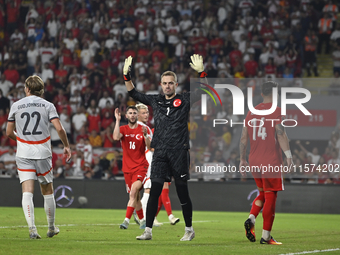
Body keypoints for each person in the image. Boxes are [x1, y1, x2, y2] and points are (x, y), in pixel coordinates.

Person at [123, 54, 206, 241]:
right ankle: (148, 231)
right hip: (160, 152)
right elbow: (134, 94)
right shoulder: (156, 101)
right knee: (155, 191)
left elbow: (203, 92)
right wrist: (126, 76)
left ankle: (189, 229)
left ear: (176, 85)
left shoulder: (184, 100)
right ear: (161, 85)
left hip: (179, 151)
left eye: (171, 83)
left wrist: (202, 73)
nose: (168, 86)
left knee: (183, 190)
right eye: (165, 83)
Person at [6, 75, 71, 239]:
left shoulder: (16, 105)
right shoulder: (48, 105)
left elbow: (8, 132)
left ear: (26, 89)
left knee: (27, 192)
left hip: (23, 153)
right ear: (41, 90)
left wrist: (21, 140)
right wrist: (66, 146)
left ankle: (32, 229)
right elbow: (60, 129)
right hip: (42, 152)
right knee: (47, 190)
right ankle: (51, 228)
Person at [239, 81, 293, 245]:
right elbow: (281, 135)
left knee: (262, 193)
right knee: (271, 196)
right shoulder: (277, 111)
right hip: (270, 160)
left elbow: (243, 138)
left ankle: (251, 218)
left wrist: (242, 159)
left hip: (254, 160)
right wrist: (289, 155)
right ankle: (266, 237)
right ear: (276, 94)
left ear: (261, 94)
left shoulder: (251, 112)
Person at [135, 103, 179, 227]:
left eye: (147, 113)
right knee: (148, 189)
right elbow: (149, 147)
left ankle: (143, 215)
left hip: (142, 158)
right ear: (137, 114)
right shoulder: (145, 128)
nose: (146, 115)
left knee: (145, 189)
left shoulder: (140, 127)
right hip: (147, 159)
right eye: (143, 113)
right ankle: (141, 216)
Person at [113, 106, 150, 230]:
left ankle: (126, 221)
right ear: (126, 116)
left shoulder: (143, 129)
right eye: (130, 113)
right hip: (127, 168)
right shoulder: (123, 129)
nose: (133, 115)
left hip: (141, 166)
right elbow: (115, 137)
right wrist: (117, 121)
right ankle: (143, 220)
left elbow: (150, 147)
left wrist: (145, 136)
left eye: (135, 113)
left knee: (133, 192)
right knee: (136, 197)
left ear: (137, 115)